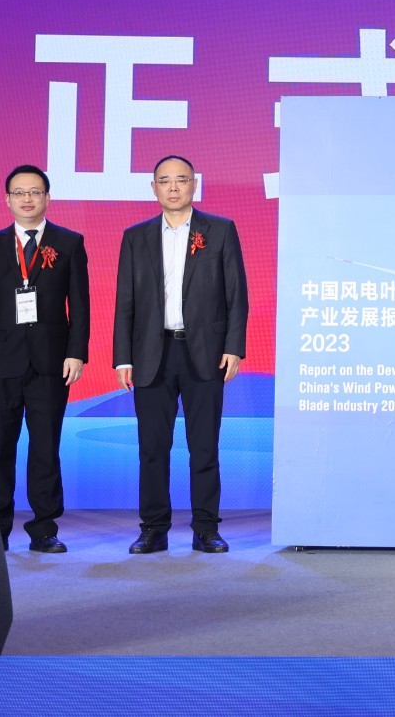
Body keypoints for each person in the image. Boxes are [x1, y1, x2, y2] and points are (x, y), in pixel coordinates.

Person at [114, 155, 249, 555]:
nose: (173, 187)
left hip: (204, 353)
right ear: (153, 187)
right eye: (165, 180)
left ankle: (206, 528)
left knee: (203, 447)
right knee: (152, 449)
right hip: (151, 354)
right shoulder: (135, 237)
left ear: (194, 184)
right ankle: (153, 529)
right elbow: (125, 301)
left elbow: (236, 294)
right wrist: (123, 357)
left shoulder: (219, 230)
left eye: (181, 179)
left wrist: (234, 347)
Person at [0, 164, 89, 553]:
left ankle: (44, 529)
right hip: (1, 363)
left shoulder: (69, 243)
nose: (27, 199)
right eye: (19, 192)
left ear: (47, 198)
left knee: (45, 447)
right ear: (7, 200)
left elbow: (80, 306)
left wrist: (76, 353)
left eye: (34, 192)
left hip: (51, 363)